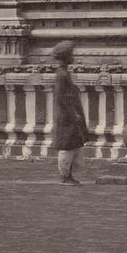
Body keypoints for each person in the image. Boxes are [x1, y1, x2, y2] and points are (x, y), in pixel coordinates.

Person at [51, 41, 94, 184]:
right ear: (66, 56)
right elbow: (61, 98)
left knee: (73, 144)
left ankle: (68, 175)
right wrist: (72, 114)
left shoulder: (64, 73)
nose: (73, 57)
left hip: (70, 114)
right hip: (66, 116)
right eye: (71, 55)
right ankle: (65, 176)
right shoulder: (62, 74)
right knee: (67, 146)